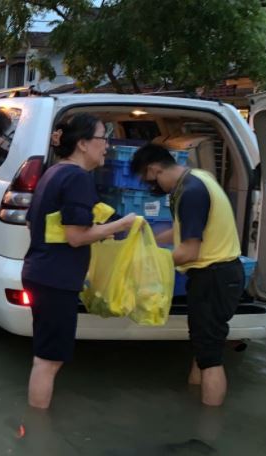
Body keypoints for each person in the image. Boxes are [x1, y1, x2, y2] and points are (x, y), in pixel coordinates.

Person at [23, 113, 136, 409]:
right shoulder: (76, 178)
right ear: (83, 144)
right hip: (55, 280)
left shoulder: (54, 172)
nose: (107, 146)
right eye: (103, 138)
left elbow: (33, 223)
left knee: (45, 356)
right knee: (49, 361)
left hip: (41, 273)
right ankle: (36, 432)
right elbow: (75, 236)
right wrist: (121, 225)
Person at [131, 144, 243, 407]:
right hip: (219, 275)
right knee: (203, 344)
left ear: (155, 169)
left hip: (213, 276)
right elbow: (186, 229)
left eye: (151, 182)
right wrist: (151, 240)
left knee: (210, 355)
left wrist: (150, 262)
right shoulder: (199, 178)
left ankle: (206, 432)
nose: (154, 189)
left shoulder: (191, 192)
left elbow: (189, 251)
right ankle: (195, 403)